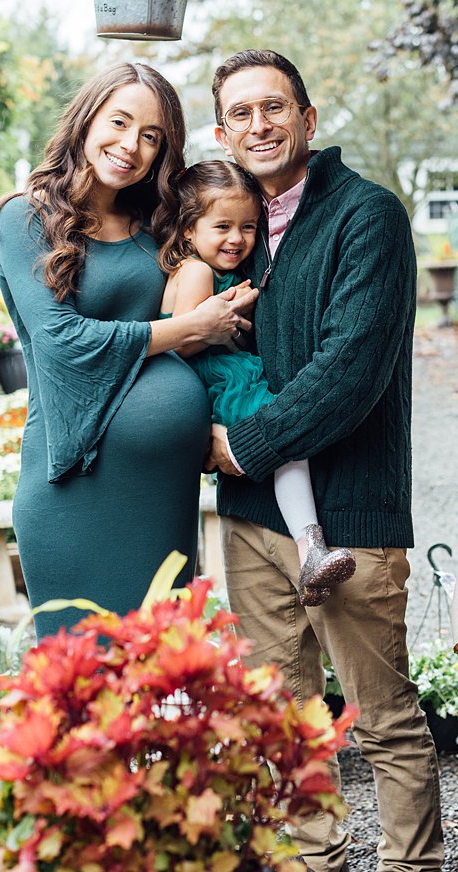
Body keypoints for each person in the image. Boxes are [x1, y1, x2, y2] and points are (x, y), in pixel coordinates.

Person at [205, 49, 444, 872]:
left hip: (349, 517)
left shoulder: (366, 216)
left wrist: (243, 446)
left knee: (381, 719)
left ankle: (412, 866)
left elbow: (350, 370)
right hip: (251, 522)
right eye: (241, 113)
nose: (259, 125)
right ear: (222, 132)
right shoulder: (231, 233)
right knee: (286, 718)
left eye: (275, 108)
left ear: (308, 120)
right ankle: (317, 861)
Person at [0, 62, 255, 637]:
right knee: (84, 691)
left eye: (152, 136)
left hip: (163, 494)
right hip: (75, 491)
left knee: (163, 684)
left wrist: (210, 413)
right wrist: (188, 329)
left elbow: (215, 303)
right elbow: (61, 342)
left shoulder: (156, 221)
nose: (131, 145)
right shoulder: (25, 217)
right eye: (120, 122)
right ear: (87, 120)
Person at [153, 160, 356, 605]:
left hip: (222, 374)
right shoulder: (196, 272)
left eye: (248, 226)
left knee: (282, 450)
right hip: (217, 380)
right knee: (285, 446)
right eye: (222, 226)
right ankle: (310, 547)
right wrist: (226, 320)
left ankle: (308, 550)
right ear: (188, 230)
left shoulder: (206, 268)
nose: (237, 238)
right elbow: (183, 341)